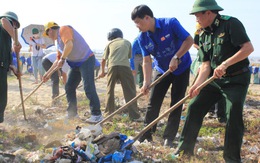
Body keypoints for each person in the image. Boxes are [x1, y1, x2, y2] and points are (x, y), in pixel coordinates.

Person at [175, 0, 254, 162]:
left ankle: (231, 158)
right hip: (214, 80)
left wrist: (225, 64)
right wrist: (196, 86)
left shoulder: (231, 24)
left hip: (236, 79)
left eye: (198, 15)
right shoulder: (203, 34)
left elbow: (248, 48)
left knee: (232, 114)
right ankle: (184, 151)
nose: (196, 19)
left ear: (209, 13)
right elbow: (205, 65)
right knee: (194, 106)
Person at [131, 5, 193, 147]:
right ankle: (146, 134)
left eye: (139, 23)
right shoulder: (142, 38)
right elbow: (146, 61)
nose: (138, 27)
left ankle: (169, 137)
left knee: (176, 103)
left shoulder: (170, 23)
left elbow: (189, 40)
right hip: (161, 69)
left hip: (181, 67)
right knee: (153, 101)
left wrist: (177, 57)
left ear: (147, 18)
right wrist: (146, 82)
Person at [42, 22, 102, 123]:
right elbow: (58, 61)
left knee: (88, 87)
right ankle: (72, 113)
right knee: (69, 87)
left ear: (50, 30)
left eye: (47, 34)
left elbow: (69, 44)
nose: (49, 37)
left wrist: (63, 58)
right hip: (75, 65)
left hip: (86, 60)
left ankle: (97, 114)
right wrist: (47, 74)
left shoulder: (63, 29)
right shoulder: (58, 44)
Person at [98, 28, 142, 121]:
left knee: (110, 90)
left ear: (110, 37)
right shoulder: (127, 42)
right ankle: (135, 116)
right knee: (130, 91)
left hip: (112, 67)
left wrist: (102, 72)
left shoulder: (109, 44)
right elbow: (129, 57)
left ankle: (108, 114)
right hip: (125, 67)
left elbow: (103, 60)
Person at [191, 23, 226, 123]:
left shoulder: (217, 32)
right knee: (205, 88)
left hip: (218, 67)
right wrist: (201, 49)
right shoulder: (199, 33)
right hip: (205, 63)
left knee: (219, 90)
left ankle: (220, 114)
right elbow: (194, 43)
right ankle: (209, 110)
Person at [0, 11, 22, 123]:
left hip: (3, 69)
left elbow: (8, 58)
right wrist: (16, 40)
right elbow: (4, 21)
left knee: (2, 98)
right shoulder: (4, 22)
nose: (14, 28)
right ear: (12, 21)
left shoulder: (6, 39)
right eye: (15, 26)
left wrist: (14, 69)